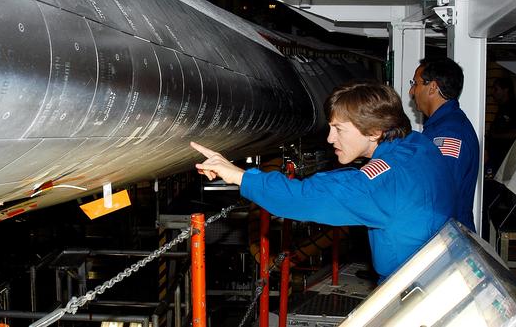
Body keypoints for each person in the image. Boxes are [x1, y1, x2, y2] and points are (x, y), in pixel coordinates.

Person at [191, 83, 456, 282]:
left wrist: (239, 175)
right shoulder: (418, 145)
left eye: (339, 129)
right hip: (439, 269)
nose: (330, 139)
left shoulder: (381, 183)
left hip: (410, 285)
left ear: (375, 131)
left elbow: (307, 196)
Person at [409, 58, 479, 232]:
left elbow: (440, 195)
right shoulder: (440, 127)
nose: (411, 91)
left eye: (415, 83)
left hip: (447, 238)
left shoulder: (449, 133)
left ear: (432, 87)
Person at [486, 77, 516, 175]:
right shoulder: (502, 108)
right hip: (496, 157)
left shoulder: (515, 109)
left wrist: (495, 136)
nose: (493, 93)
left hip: (506, 157)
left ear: (506, 90)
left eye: (496, 89)